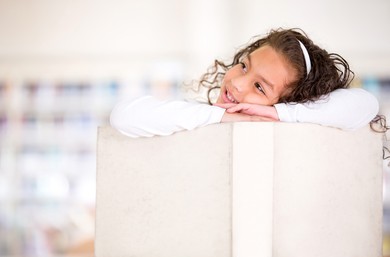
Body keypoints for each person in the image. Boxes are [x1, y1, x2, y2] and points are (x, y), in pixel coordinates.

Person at [110, 28, 379, 138]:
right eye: (244, 66)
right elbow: (123, 116)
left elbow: (366, 103)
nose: (238, 84)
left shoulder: (289, 120)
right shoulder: (199, 115)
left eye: (260, 87)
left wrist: (279, 114)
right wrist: (223, 117)